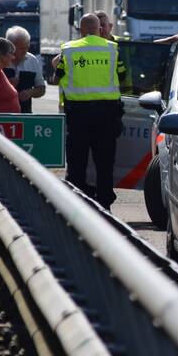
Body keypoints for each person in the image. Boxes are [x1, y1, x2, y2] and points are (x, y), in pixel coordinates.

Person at [52, 13, 129, 209]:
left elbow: (56, 77)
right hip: (106, 115)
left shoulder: (68, 49)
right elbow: (122, 76)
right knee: (105, 163)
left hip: (78, 115)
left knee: (77, 163)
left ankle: (76, 203)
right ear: (99, 29)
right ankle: (105, 203)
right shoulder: (112, 49)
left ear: (81, 29)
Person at [5, 26, 45, 113]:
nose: (25, 51)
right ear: (10, 46)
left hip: (25, 113)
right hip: (1, 114)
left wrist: (30, 93)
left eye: (27, 47)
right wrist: (7, 85)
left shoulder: (32, 60)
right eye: (21, 48)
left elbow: (41, 89)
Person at [95, 10, 132, 94]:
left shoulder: (124, 43)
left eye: (103, 25)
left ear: (110, 26)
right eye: (98, 26)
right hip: (103, 94)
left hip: (126, 94)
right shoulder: (89, 48)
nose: (100, 29)